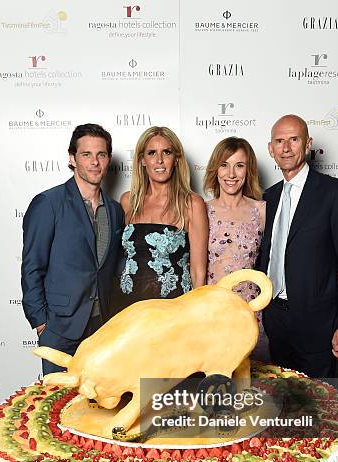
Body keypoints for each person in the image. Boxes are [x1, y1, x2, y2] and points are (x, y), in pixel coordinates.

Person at [258, 114, 338, 377]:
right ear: (270, 149)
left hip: (319, 326)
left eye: (294, 139)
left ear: (308, 144)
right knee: (283, 406)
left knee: (319, 409)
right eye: (279, 141)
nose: (286, 148)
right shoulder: (267, 198)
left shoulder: (335, 193)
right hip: (275, 321)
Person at [21, 123, 124, 375]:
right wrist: (42, 323)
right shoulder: (48, 203)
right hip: (60, 328)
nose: (94, 162)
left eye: (101, 154)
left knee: (97, 409)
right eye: (86, 154)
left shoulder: (115, 210)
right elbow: (32, 267)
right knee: (57, 404)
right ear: (72, 158)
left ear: (108, 159)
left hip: (103, 329)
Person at [111, 126, 208, 312]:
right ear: (142, 160)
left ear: (177, 159)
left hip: (173, 310)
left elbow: (198, 271)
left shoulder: (192, 204)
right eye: (152, 153)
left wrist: (198, 315)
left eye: (167, 152)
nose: (160, 160)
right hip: (127, 308)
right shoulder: (128, 202)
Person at [204, 136, 269, 361]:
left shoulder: (261, 210)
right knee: (213, 385)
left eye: (239, 165)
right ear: (215, 169)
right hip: (211, 312)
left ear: (248, 170)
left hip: (250, 311)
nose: (231, 174)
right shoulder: (202, 210)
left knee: (253, 385)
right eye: (224, 165)